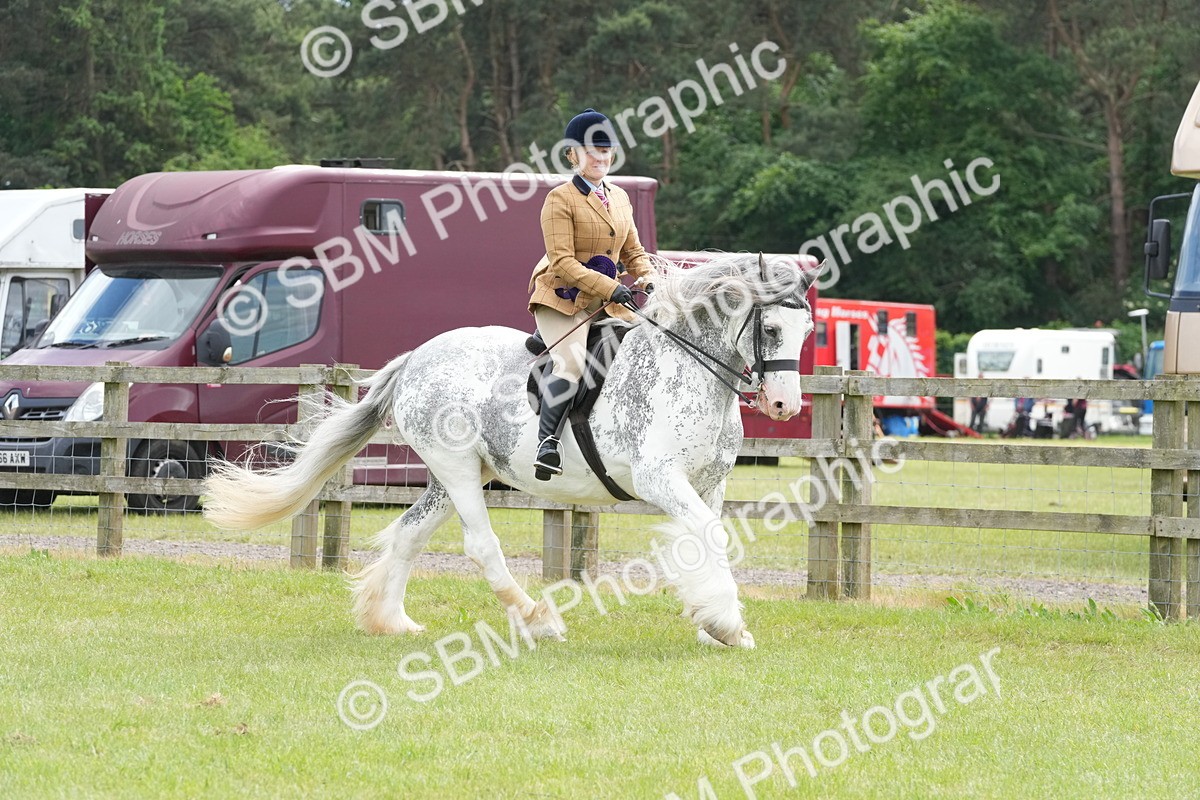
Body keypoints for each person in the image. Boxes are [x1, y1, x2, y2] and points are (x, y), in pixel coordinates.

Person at [527, 108, 655, 478]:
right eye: (591, 151)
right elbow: (563, 263)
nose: (601, 157)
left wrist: (648, 278)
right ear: (572, 155)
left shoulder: (620, 199)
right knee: (572, 362)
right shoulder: (560, 199)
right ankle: (547, 442)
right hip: (563, 299)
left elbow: (633, 252)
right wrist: (613, 287)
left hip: (605, 302)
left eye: (606, 150)